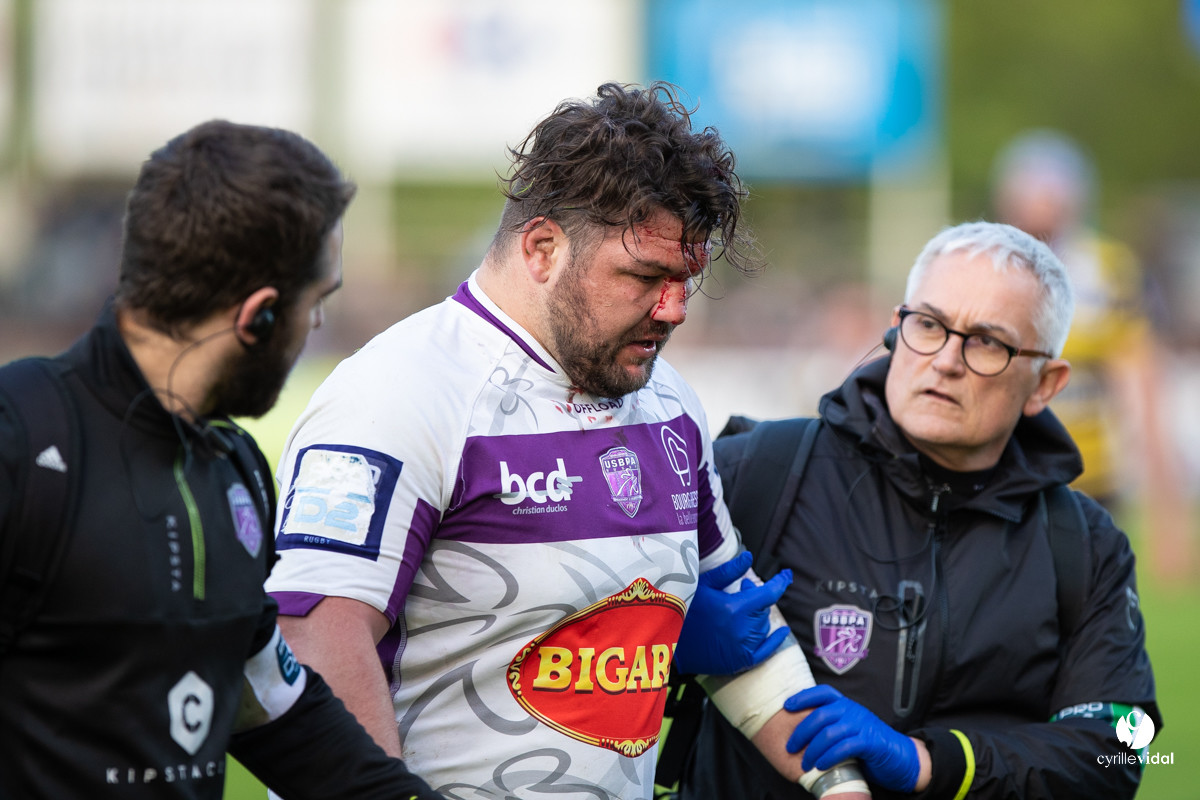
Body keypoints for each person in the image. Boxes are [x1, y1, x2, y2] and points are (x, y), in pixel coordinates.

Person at [262, 83, 870, 800]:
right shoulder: (399, 393)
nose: (674, 308)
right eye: (646, 275)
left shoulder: (666, 402)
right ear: (543, 248)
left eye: (686, 280)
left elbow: (739, 622)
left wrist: (838, 785)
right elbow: (318, 640)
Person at [0, 120, 442, 799]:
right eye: (316, 301)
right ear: (259, 316)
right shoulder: (21, 439)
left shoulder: (233, 468)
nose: (317, 326)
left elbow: (279, 712)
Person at [682, 221, 1161, 799]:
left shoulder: (1083, 544)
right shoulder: (754, 471)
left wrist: (932, 763)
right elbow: (566, 642)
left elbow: (1121, 751)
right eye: (929, 325)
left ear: (1046, 384)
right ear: (896, 330)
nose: (947, 361)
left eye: (987, 341)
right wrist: (659, 643)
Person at [992, 129, 1194, 582]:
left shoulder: (1105, 272)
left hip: (1088, 477)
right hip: (1000, 471)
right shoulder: (983, 264)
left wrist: (1168, 518)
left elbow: (1142, 391)